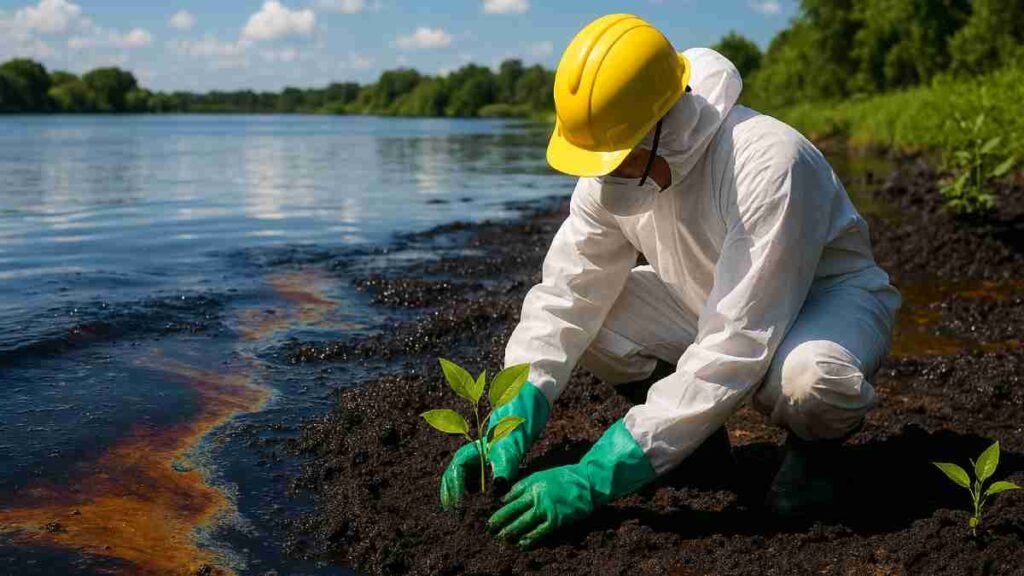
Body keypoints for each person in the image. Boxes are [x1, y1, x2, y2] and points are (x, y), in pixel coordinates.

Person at [439, 13, 901, 548]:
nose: (604, 174)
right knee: (597, 316)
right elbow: (566, 296)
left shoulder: (767, 161)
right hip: (709, 298)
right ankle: (697, 446)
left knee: (811, 381)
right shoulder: (614, 170)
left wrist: (596, 475)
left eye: (614, 157)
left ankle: (813, 456)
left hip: (824, 304)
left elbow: (736, 341)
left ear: (661, 124)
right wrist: (510, 416)